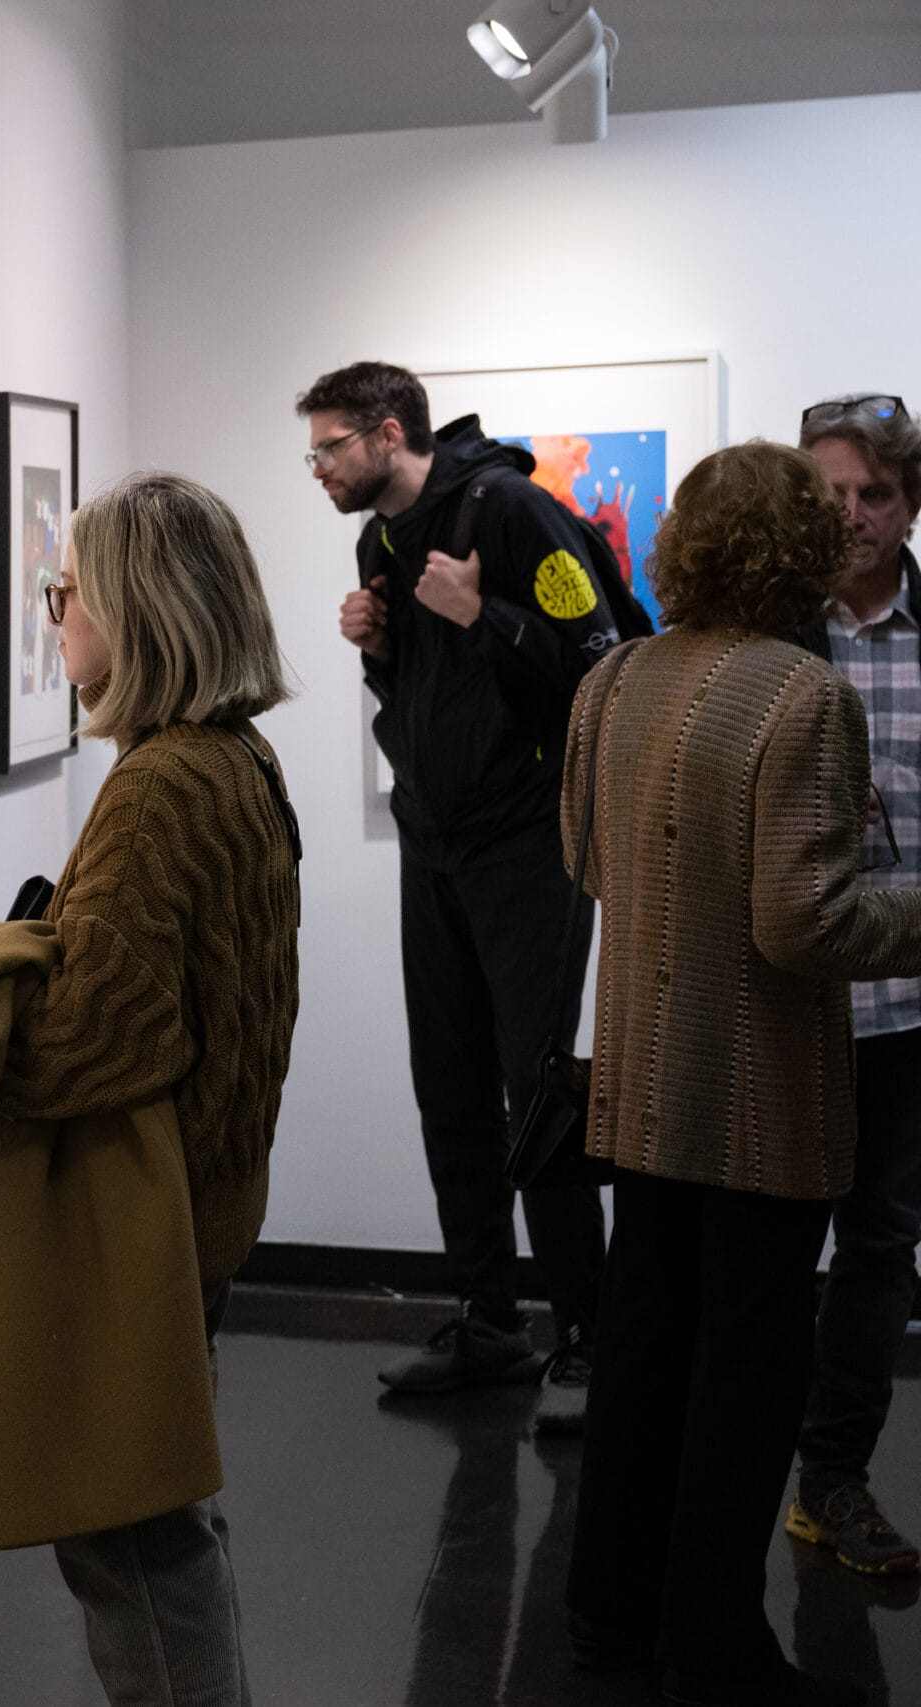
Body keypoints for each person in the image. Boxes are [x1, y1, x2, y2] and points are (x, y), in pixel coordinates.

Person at [561, 442, 921, 1707]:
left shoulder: (614, 675)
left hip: (644, 1076)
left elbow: (587, 858)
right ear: (798, 550)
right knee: (748, 1370)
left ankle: (607, 1615)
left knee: (643, 1348)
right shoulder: (801, 695)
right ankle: (713, 1648)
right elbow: (804, 923)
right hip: (760, 1094)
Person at [0, 471, 300, 1707]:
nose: (54, 614)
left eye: (66, 590)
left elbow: (93, 1042)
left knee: (129, 1534)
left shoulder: (160, 787)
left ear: (138, 609)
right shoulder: (235, 759)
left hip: (144, 1216)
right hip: (206, 1197)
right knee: (165, 1512)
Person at [301, 361, 616, 1430]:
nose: (318, 467)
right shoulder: (379, 543)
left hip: (530, 844)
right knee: (447, 1083)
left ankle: (590, 1341)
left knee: (538, 1092)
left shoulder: (512, 509)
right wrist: (381, 649)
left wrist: (484, 613)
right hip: (432, 843)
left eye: (329, 447)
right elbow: (426, 695)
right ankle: (490, 1321)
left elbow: (603, 662)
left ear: (389, 433)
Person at [789, 394, 921, 1577]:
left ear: (909, 504)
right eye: (830, 493)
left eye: (873, 493)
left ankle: (831, 1478)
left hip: (905, 1009)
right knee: (766, 1256)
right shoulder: (769, 637)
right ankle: (737, 1481)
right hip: (783, 1005)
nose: (852, 515)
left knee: (878, 1251)